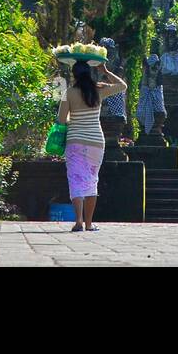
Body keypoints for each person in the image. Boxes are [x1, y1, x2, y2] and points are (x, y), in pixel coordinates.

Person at [57, 60, 127, 232]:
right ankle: (89, 224)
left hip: (75, 142)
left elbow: (61, 120)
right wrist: (105, 71)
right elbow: (122, 86)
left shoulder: (69, 92)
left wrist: (73, 118)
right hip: (96, 142)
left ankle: (78, 221)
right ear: (89, 74)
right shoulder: (98, 90)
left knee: (76, 181)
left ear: (74, 75)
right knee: (91, 181)